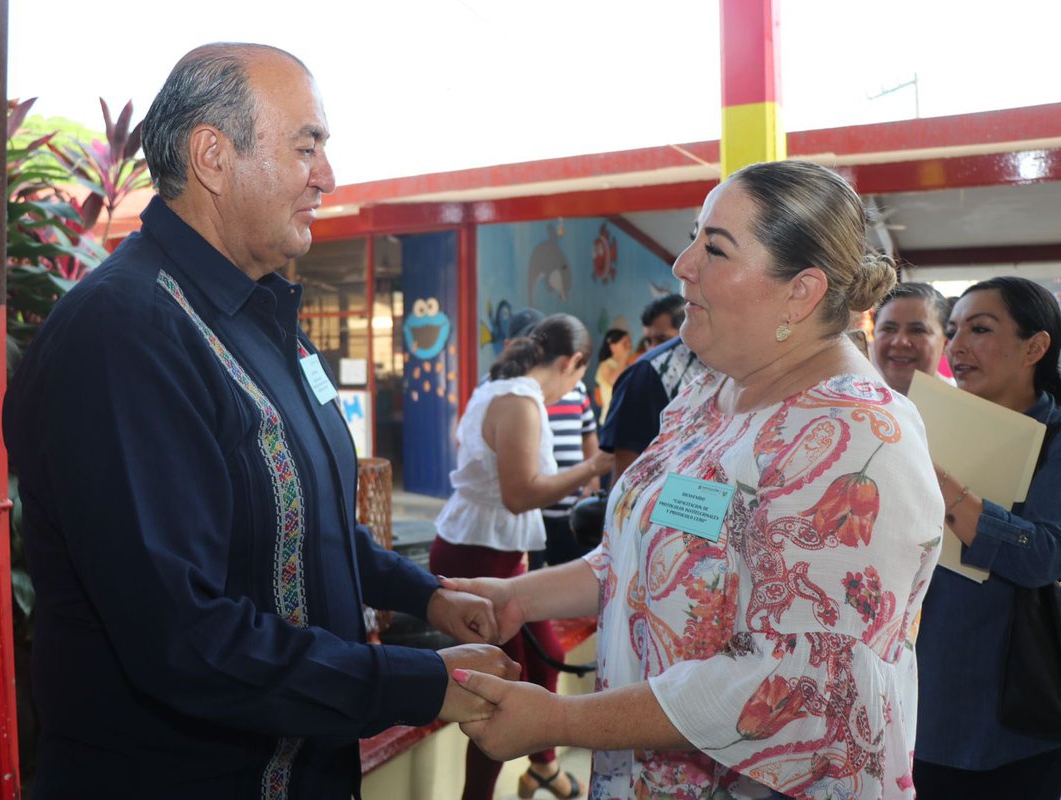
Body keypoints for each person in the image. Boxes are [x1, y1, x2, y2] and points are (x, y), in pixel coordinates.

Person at [1, 43, 517, 799]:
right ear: (213, 155)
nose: (327, 175)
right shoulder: (126, 336)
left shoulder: (260, 312)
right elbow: (184, 637)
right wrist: (418, 681)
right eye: (306, 145)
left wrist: (425, 594)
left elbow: (306, 523)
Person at [444, 160, 945, 799]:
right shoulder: (710, 396)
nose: (683, 264)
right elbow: (647, 558)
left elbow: (797, 685)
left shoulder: (858, 439)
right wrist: (519, 598)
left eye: (714, 247)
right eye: (693, 237)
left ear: (802, 291)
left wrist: (560, 719)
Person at [430, 313, 614, 800]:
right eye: (578, 378)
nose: (573, 390)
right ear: (573, 362)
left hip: (495, 547)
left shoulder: (500, 389)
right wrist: (593, 468)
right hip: (479, 551)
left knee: (547, 653)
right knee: (498, 687)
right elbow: (519, 494)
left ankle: (543, 767)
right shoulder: (519, 401)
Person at [913, 276, 1061, 799]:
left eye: (979, 329)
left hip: (1010, 723)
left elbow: (1042, 557)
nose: (956, 347)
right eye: (952, 330)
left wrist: (942, 486)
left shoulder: (1055, 439)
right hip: (920, 702)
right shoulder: (924, 421)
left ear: (1035, 347)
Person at [501, 310, 601, 570]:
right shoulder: (509, 393)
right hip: (530, 513)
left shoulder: (574, 387)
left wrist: (591, 483)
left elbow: (588, 434)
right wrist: (594, 467)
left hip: (570, 509)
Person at [599, 293, 711, 482]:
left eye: (662, 339)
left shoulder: (721, 365)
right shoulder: (644, 375)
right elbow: (625, 475)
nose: (654, 349)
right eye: (648, 341)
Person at [871, 281, 951, 395]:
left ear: (945, 344)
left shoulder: (966, 407)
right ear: (873, 335)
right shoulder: (851, 401)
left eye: (917, 330)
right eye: (889, 329)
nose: (899, 342)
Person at [594, 328, 632, 425]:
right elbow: (614, 380)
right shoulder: (605, 365)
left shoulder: (629, 365)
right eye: (624, 343)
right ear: (612, 346)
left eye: (629, 342)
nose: (629, 346)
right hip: (611, 418)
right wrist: (624, 357)